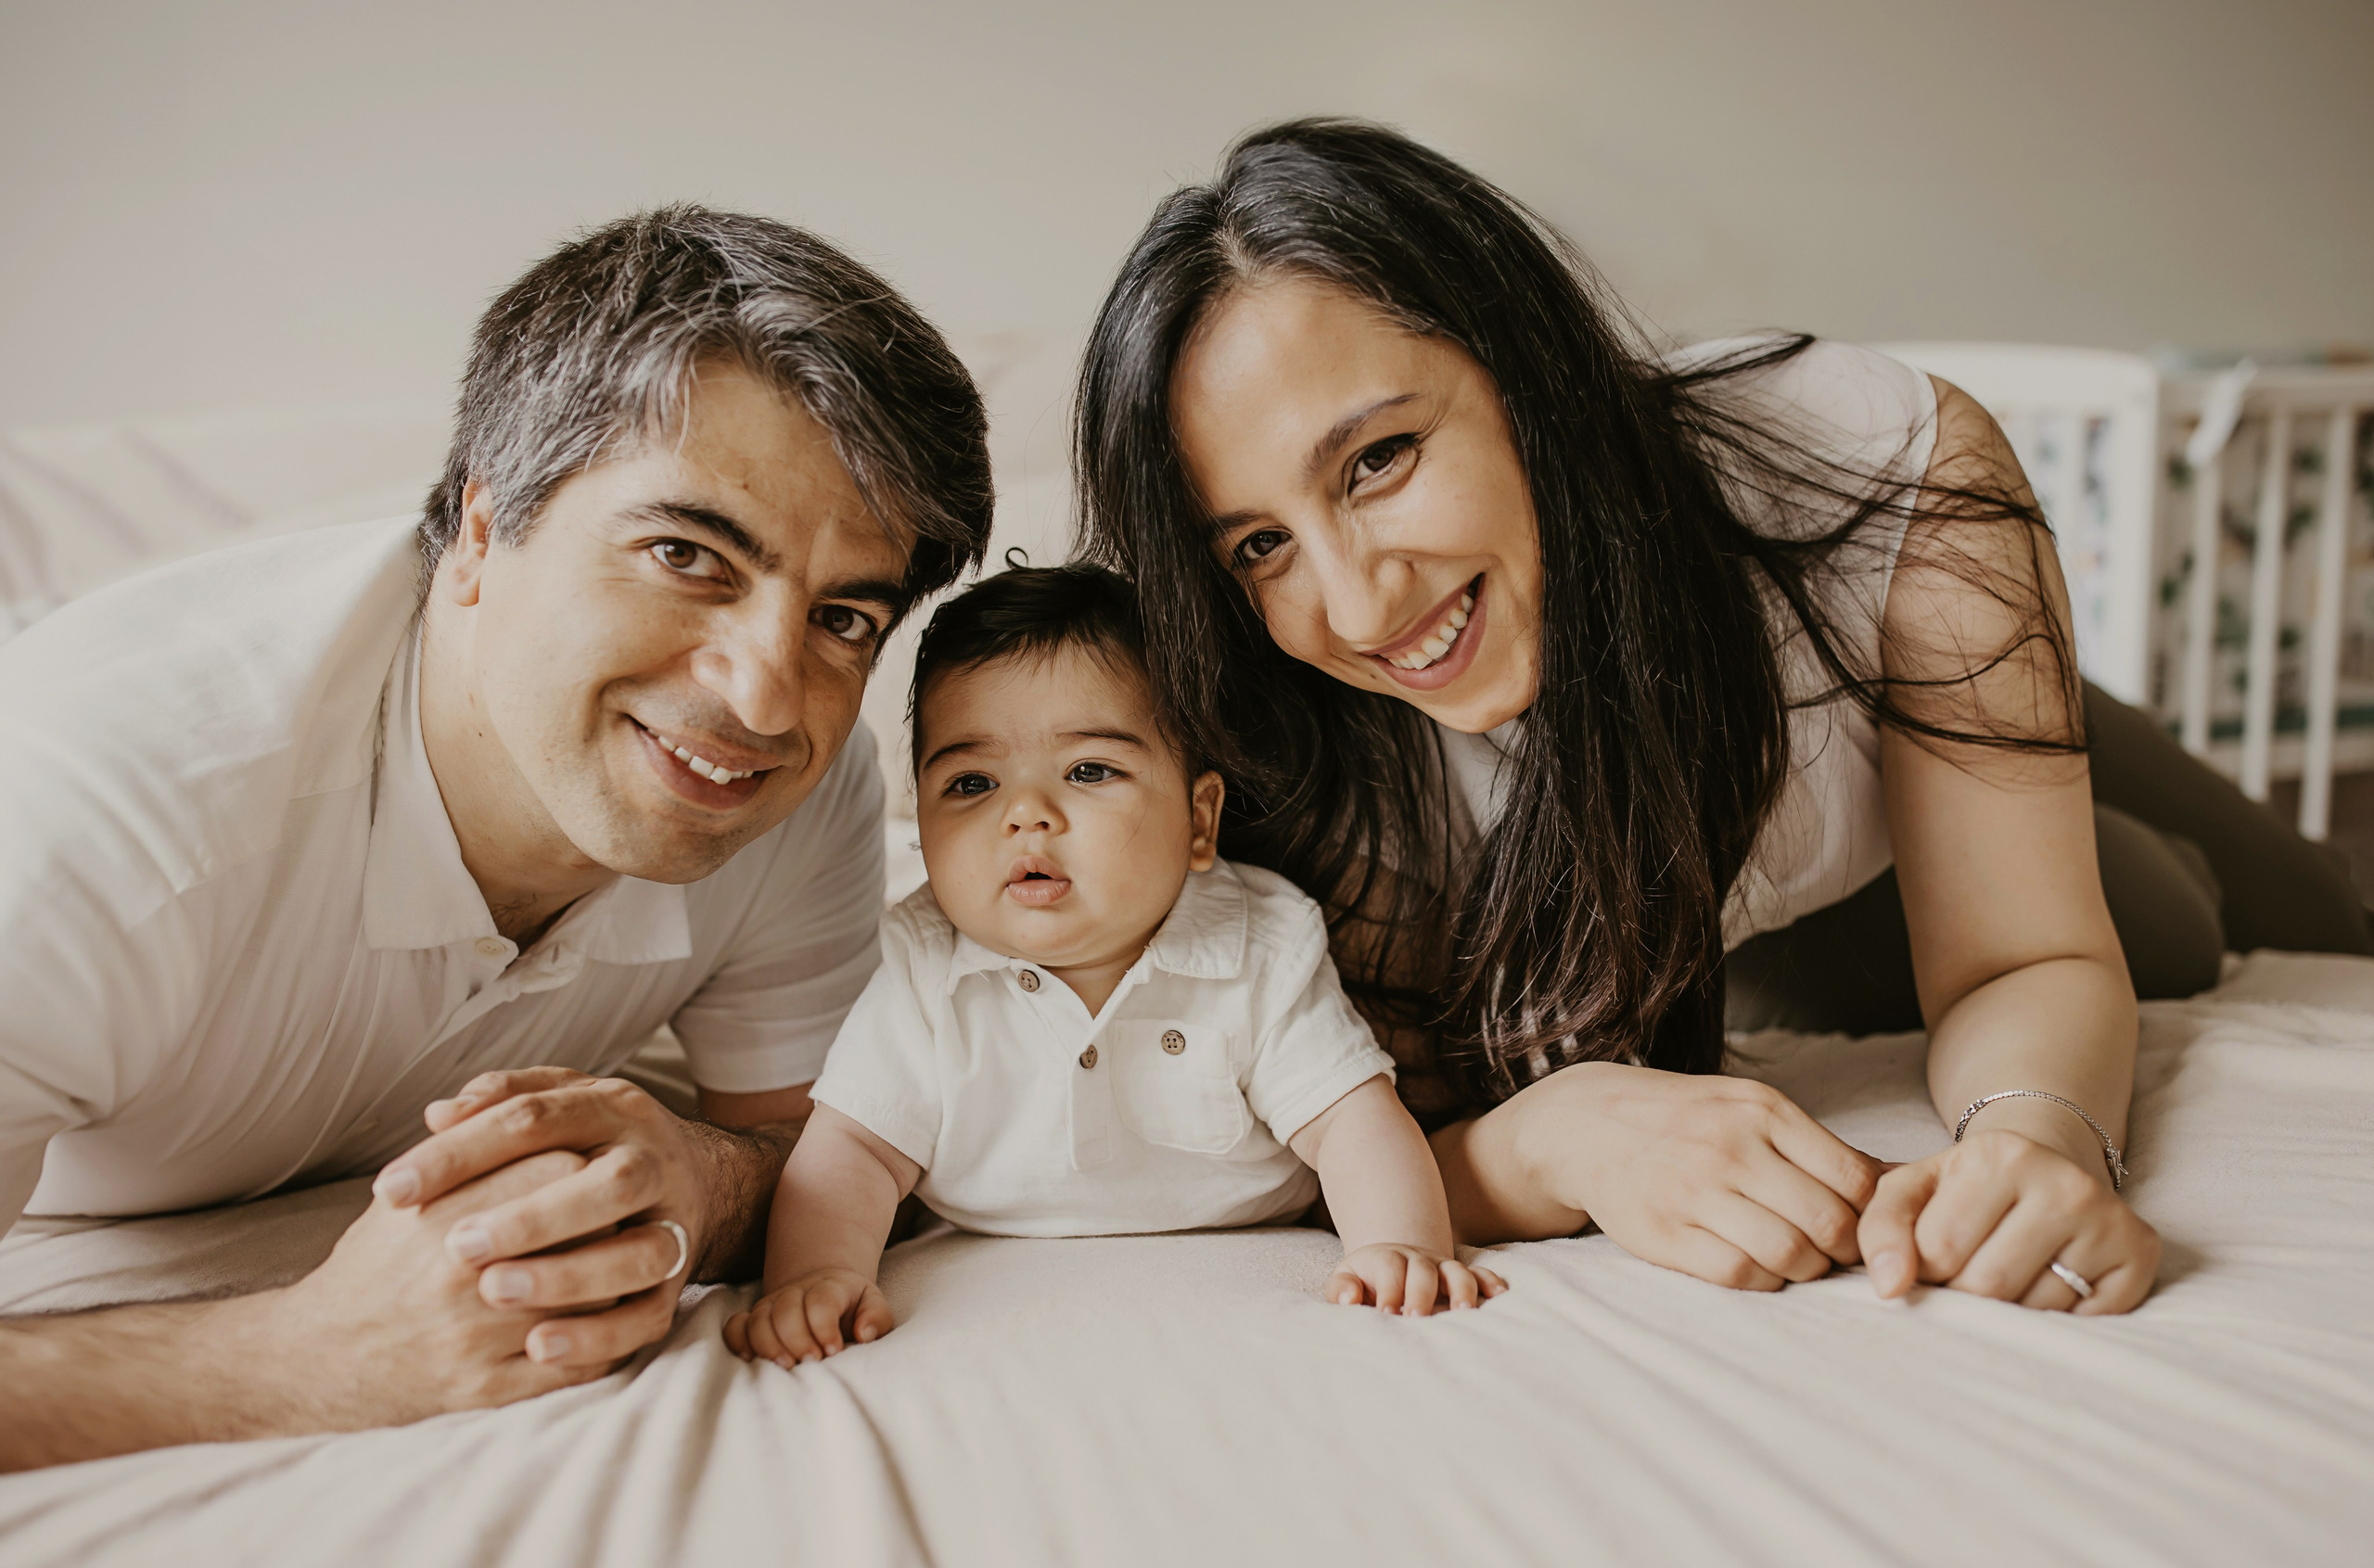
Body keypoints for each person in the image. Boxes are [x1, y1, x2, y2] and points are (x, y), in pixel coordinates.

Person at [1072, 120, 2372, 1319]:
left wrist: (2029, 1142)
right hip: (1730, 877)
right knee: (2164, 928)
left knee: (2259, 915)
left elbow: (2020, 955)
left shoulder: (1875, 470)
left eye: (1378, 460)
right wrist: (1560, 1128)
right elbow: (1333, 1142)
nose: (1357, 604)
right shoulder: (1305, 742)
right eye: (1256, 543)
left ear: (1525, 365)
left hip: (1891, 703)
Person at [0, 206, 993, 1469]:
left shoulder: (800, 780)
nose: (762, 698)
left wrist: (697, 1173)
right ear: (478, 531)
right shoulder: (99, 808)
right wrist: (309, 1357)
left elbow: (817, 1143)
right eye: (686, 553)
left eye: (845, 617)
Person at [725, 565, 1500, 1369]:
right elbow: (851, 1149)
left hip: (1238, 1265)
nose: (1025, 813)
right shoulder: (927, 965)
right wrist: (817, 1277)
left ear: (1200, 821)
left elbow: (1352, 1121)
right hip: (997, 1282)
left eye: (1089, 770)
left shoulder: (1262, 944)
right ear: (921, 827)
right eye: (972, 782)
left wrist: (1398, 1245)